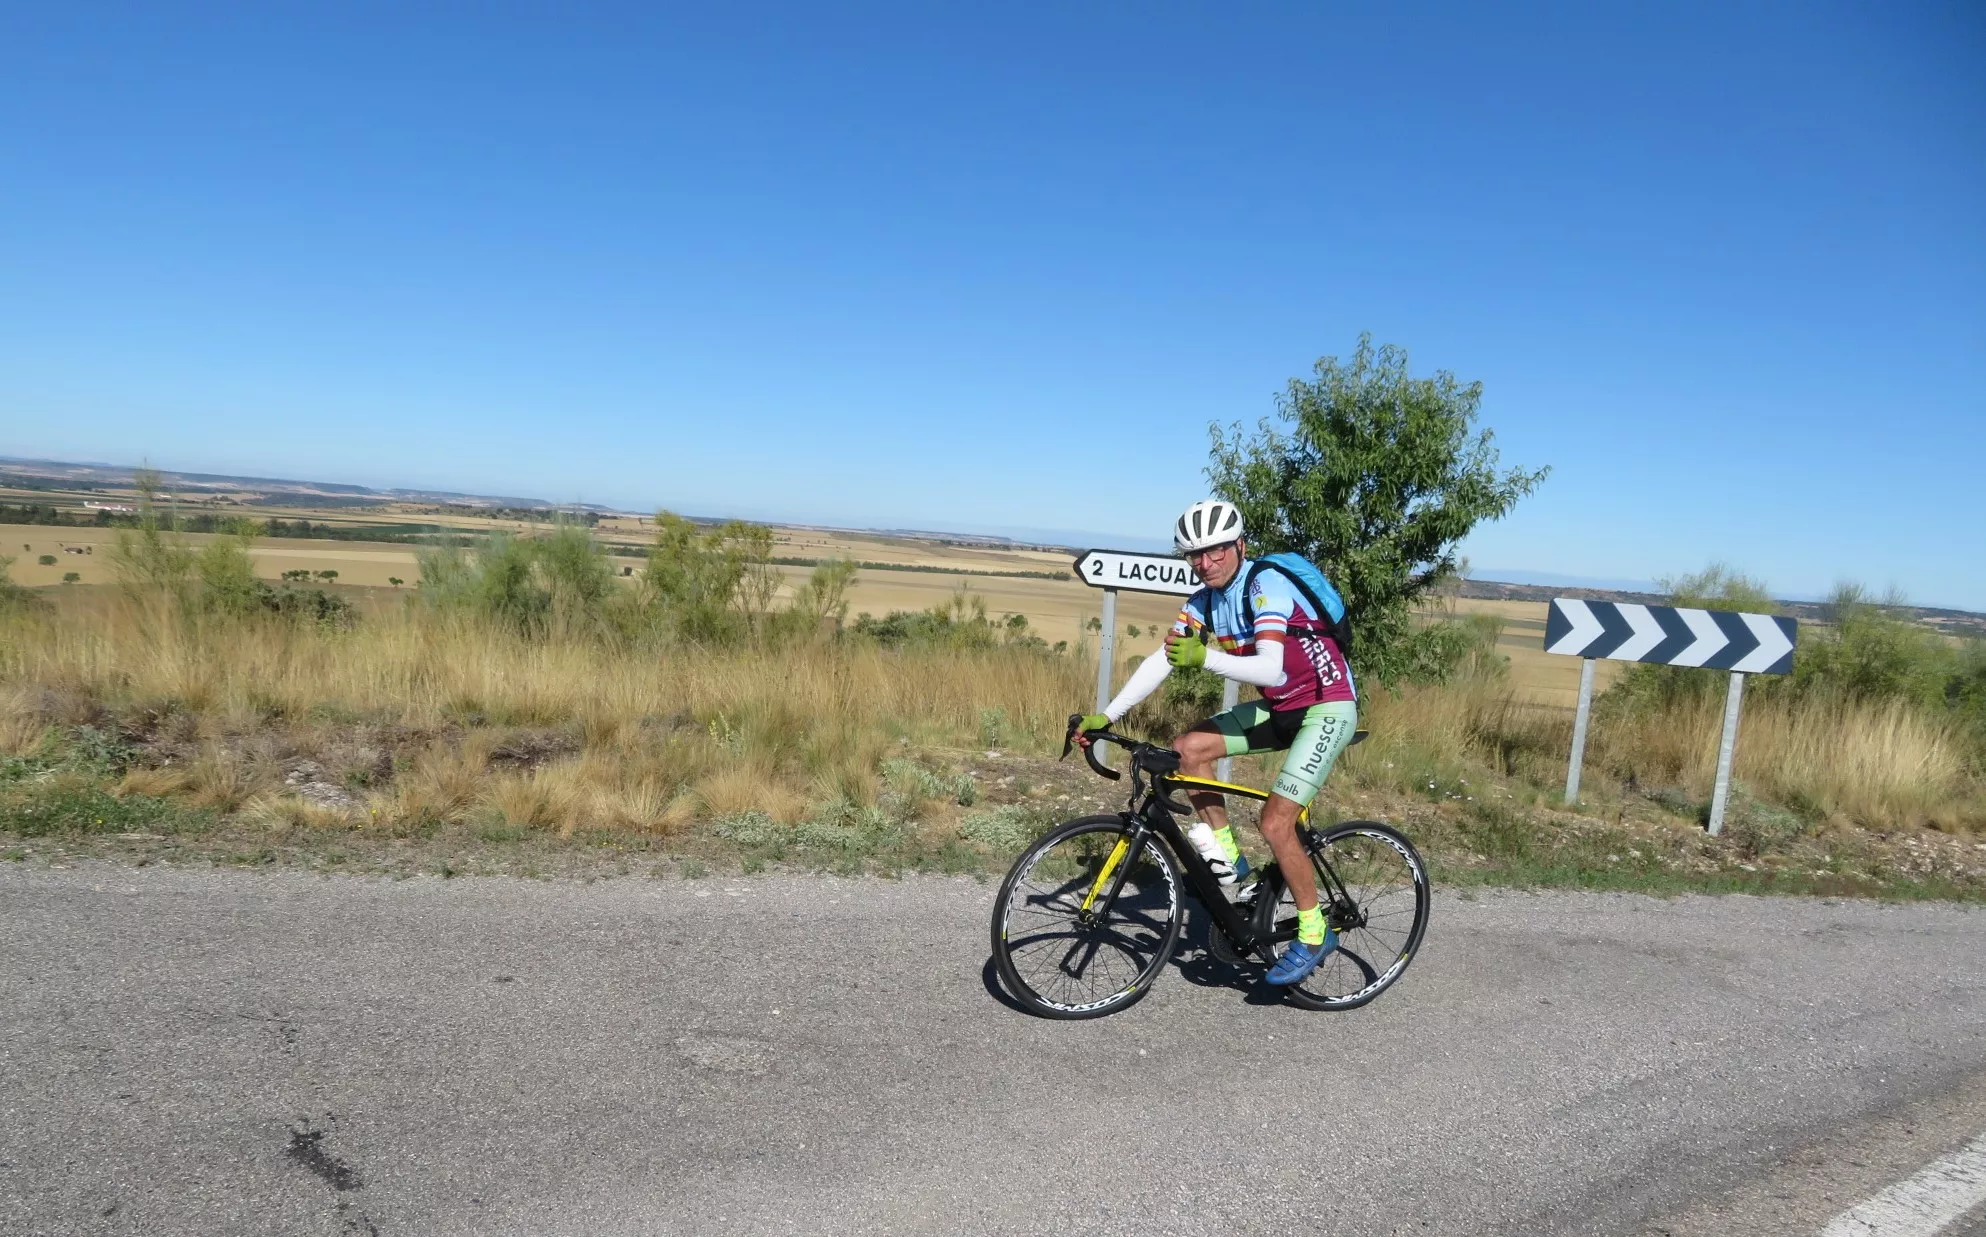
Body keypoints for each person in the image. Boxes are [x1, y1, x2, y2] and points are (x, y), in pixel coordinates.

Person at [1075, 499, 1358, 986]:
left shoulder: (1265, 584)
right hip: (1282, 707)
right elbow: (1162, 661)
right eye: (1194, 555)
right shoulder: (1202, 602)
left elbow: (1270, 666)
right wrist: (1108, 713)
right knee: (1188, 748)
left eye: (1215, 551)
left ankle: (1314, 932)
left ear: (1239, 546)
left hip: (1326, 705)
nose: (1205, 563)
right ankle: (1232, 869)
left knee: (1275, 822)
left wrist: (1203, 657)